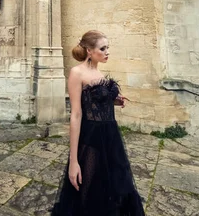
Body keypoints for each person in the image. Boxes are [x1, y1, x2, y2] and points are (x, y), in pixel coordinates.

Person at [52, 30, 145, 216]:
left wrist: (115, 101)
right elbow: (76, 115)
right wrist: (73, 161)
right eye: (103, 48)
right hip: (91, 139)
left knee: (114, 187)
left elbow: (97, 102)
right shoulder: (76, 73)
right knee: (89, 191)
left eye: (108, 47)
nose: (107, 52)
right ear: (89, 50)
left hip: (111, 138)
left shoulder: (99, 73)